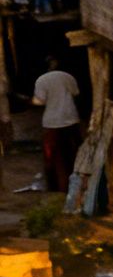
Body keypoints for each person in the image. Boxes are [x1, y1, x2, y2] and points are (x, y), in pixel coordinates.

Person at [31, 57, 79, 193]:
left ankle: (57, 188)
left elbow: (40, 101)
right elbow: (76, 92)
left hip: (52, 123)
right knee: (73, 154)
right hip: (71, 118)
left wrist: (32, 101)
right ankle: (76, 187)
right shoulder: (68, 77)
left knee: (53, 158)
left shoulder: (42, 80)